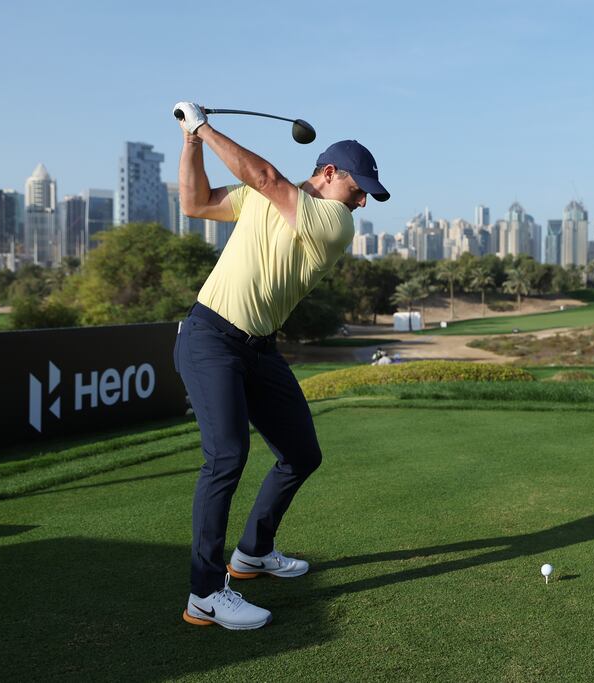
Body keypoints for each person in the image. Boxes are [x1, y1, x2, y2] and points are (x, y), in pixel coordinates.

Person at [171, 102, 390, 630]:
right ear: (329, 172)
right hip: (210, 337)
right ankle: (205, 593)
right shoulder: (263, 198)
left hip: (259, 349)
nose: (362, 201)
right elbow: (195, 203)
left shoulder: (334, 222)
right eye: (358, 189)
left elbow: (267, 178)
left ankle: (252, 553)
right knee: (227, 456)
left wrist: (203, 126)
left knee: (301, 454)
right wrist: (191, 142)